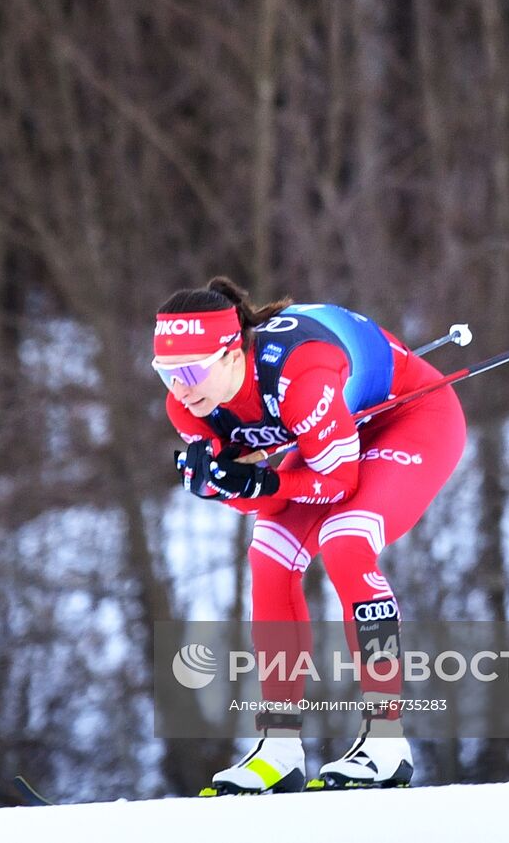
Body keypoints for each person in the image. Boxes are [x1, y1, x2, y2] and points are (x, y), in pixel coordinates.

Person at [152, 276, 466, 794]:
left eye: (190, 369)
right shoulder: (188, 404)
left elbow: (338, 483)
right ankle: (278, 749)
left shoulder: (300, 371)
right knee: (269, 554)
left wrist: (257, 478)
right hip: (329, 436)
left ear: (233, 353)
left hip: (408, 418)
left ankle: (386, 742)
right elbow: (266, 497)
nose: (181, 387)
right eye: (166, 373)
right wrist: (226, 486)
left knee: (346, 538)